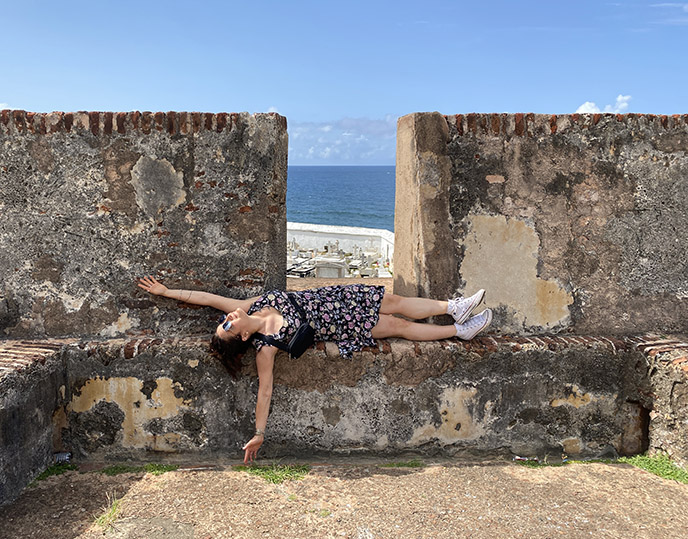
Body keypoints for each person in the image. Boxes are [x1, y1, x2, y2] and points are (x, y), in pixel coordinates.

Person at [137, 276, 492, 463]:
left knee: (394, 301)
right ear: (243, 335)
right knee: (397, 327)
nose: (227, 318)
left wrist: (167, 291)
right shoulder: (265, 347)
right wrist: (259, 433)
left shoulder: (250, 306)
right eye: (227, 327)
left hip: (334, 299)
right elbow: (265, 390)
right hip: (342, 325)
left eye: (223, 321)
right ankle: (459, 330)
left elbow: (206, 298)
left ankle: (454, 307)